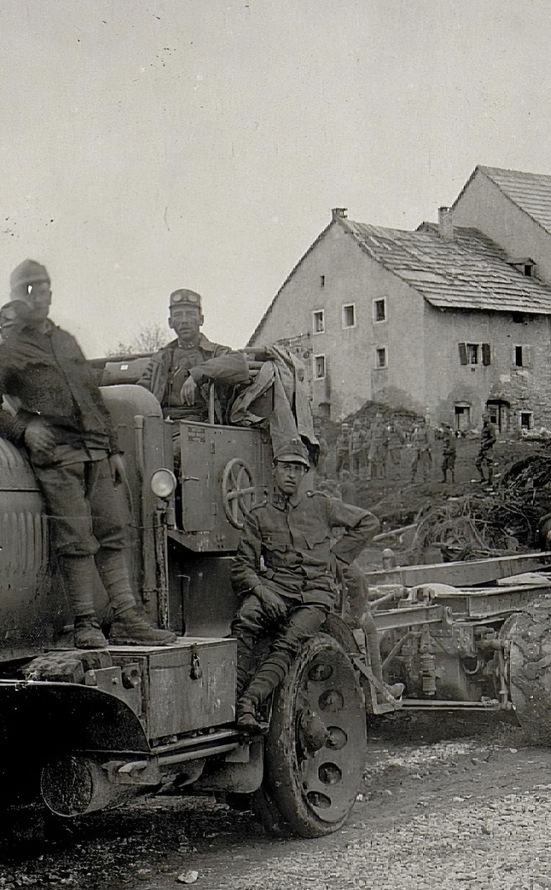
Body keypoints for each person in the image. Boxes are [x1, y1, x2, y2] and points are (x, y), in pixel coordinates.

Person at [0, 259, 176, 649]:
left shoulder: (66, 342)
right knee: (76, 539)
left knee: (113, 534)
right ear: (16, 296)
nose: (40, 295)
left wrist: (112, 448)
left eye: (44, 286)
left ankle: (128, 619)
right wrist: (25, 429)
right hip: (58, 459)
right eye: (29, 288)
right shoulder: (10, 350)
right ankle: (86, 624)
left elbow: (92, 394)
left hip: (95, 454)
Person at [230, 439, 380, 730]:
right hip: (276, 589)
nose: (291, 475)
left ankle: (249, 702)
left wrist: (338, 558)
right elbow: (242, 567)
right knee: (246, 618)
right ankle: (230, 699)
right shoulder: (259, 515)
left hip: (315, 594)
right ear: (274, 470)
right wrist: (262, 592)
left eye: (298, 469)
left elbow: (368, 522)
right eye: (286, 468)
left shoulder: (321, 506)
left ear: (305, 473)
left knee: (290, 639)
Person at [139, 289, 250, 421]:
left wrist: (196, 374)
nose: (184, 321)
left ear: (201, 320)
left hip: (203, 425)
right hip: (164, 423)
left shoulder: (214, 352)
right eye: (178, 315)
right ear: (170, 322)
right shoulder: (161, 358)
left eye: (191, 314)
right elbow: (141, 393)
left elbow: (239, 363)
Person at [474, 418, 499, 484]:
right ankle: (482, 478)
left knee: (489, 464)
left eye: (485, 418)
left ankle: (490, 481)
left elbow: (493, 438)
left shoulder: (490, 427)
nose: (484, 420)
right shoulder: (484, 427)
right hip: (482, 448)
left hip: (488, 449)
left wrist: (486, 443)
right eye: (483, 418)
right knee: (477, 462)